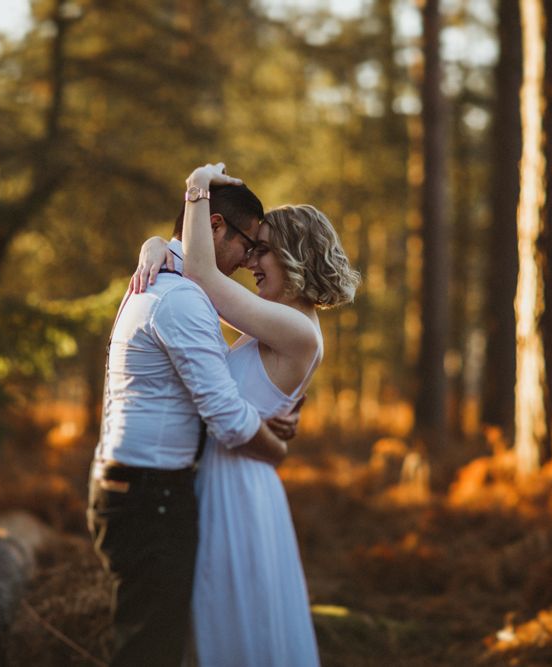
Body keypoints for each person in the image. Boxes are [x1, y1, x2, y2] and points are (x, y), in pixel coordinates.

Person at [134, 162, 360, 666]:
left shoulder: (296, 329)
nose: (250, 263)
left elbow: (198, 275)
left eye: (263, 251)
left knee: (232, 627)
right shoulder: (274, 324)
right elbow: (195, 284)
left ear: (296, 256)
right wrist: (155, 246)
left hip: (234, 490)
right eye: (251, 248)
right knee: (219, 625)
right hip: (223, 479)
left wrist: (196, 188)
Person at [87, 167, 294, 667]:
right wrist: (276, 447)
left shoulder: (166, 280)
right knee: (149, 648)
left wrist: (156, 240)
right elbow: (225, 417)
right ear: (215, 225)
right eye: (248, 245)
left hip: (139, 488)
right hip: (149, 494)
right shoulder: (179, 297)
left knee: (153, 638)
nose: (249, 262)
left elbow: (193, 395)